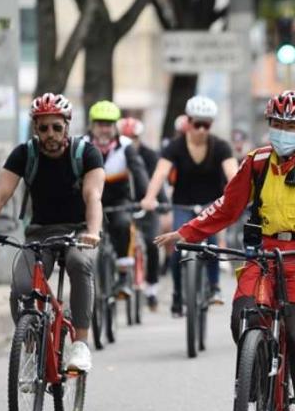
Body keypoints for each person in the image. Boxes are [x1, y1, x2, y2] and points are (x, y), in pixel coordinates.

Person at [155, 90, 295, 411]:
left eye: (291, 125)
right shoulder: (256, 162)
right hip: (263, 256)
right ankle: (256, 373)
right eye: (277, 124)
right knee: (241, 318)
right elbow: (227, 206)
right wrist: (185, 232)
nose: (283, 131)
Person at [0, 93, 104, 371]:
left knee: (80, 264)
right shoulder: (25, 154)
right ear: (35, 129)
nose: (50, 134)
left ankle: (80, 344)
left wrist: (92, 231)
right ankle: (31, 349)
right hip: (39, 233)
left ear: (67, 126)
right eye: (43, 128)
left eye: (56, 127)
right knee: (21, 286)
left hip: (78, 232)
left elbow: (93, 196)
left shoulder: (86, 154)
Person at [141, 95, 238, 316]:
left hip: (211, 204)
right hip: (182, 204)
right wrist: (149, 197)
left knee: (212, 244)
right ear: (188, 122)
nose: (201, 130)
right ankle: (177, 294)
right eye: (197, 124)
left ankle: (214, 287)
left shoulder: (221, 146)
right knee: (177, 248)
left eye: (207, 124)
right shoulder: (175, 147)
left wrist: (239, 198)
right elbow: (160, 173)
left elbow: (233, 176)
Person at [86, 101, 149, 299]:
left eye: (108, 124)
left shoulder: (126, 147)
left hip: (118, 200)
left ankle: (123, 276)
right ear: (92, 126)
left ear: (115, 127)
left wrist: (146, 198)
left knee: (122, 224)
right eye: (100, 124)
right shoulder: (81, 144)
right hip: (88, 200)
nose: (104, 129)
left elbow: (139, 173)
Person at [118, 116, 165, 310]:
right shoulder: (115, 153)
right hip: (122, 206)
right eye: (126, 137)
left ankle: (152, 288)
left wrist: (162, 202)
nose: (130, 141)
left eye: (134, 137)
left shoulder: (150, 155)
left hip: (148, 205)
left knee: (152, 242)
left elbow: (157, 181)